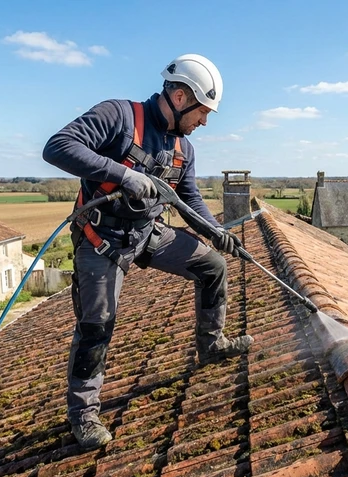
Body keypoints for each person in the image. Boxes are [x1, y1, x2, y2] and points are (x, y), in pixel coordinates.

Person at [42, 54, 253, 450]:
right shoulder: (119, 116)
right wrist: (124, 174)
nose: (204, 122)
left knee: (212, 266)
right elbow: (57, 147)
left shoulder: (183, 149)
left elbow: (187, 198)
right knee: (97, 323)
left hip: (147, 234)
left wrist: (216, 231)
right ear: (178, 95)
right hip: (100, 240)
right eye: (202, 113)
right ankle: (83, 414)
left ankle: (211, 344)